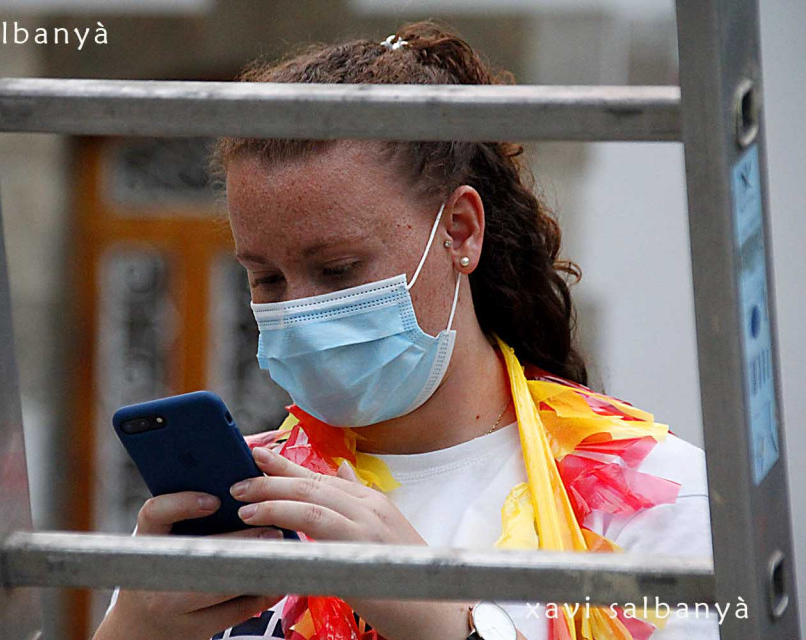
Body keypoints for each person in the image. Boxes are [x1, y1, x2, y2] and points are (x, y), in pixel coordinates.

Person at [93, 22, 717, 640]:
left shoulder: (652, 496)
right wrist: (133, 627)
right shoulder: (245, 501)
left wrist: (441, 623)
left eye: (339, 268)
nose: (300, 311)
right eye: (267, 279)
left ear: (460, 231)